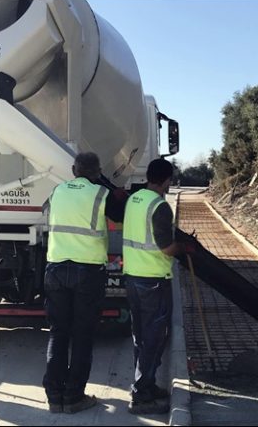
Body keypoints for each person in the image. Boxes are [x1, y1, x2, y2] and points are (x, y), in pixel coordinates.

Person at [42, 152, 126, 414]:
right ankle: (74, 396)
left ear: (73, 169)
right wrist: (119, 197)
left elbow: (48, 212)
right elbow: (119, 219)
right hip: (87, 272)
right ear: (98, 171)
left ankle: (55, 397)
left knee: (58, 333)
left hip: (55, 269)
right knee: (82, 335)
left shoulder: (57, 191)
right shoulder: (101, 194)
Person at [122, 158, 195, 414]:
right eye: (170, 181)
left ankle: (148, 384)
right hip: (153, 280)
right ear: (165, 180)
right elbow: (165, 247)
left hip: (133, 277)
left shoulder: (135, 200)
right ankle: (141, 396)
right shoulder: (160, 206)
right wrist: (184, 249)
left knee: (141, 337)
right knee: (153, 338)